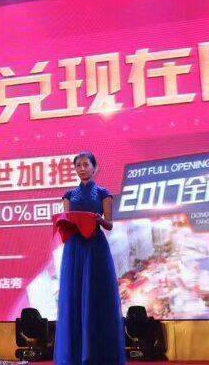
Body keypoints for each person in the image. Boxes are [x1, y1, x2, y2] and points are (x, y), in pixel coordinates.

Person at [54, 151, 126, 365]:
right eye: (78, 166)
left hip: (95, 247)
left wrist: (98, 220)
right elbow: (66, 221)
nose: (82, 169)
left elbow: (109, 225)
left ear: (95, 168)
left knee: (96, 295)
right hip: (74, 248)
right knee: (74, 296)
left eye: (86, 165)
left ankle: (97, 353)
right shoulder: (68, 195)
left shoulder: (103, 193)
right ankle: (75, 353)